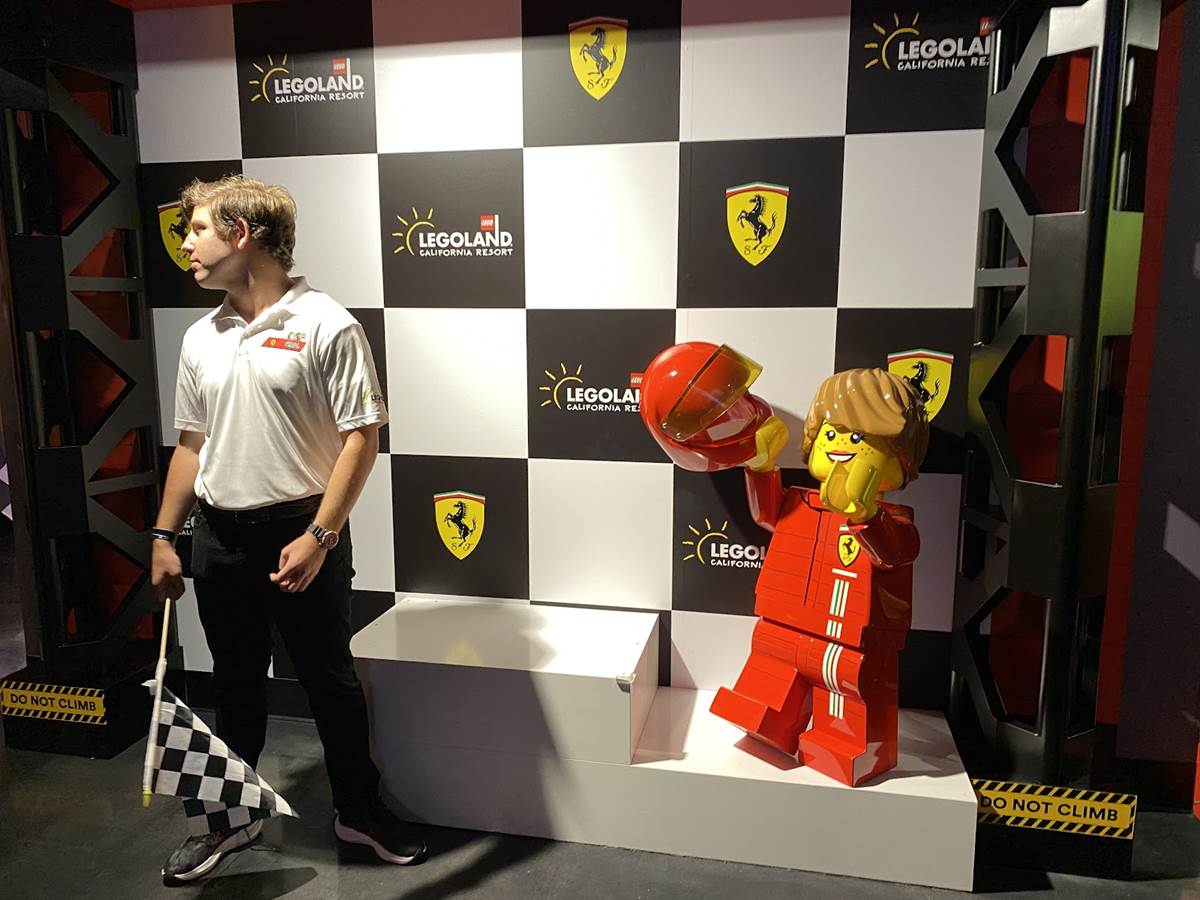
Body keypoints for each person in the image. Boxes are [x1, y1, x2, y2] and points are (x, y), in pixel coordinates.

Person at [150, 175, 425, 885]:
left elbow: (362, 438)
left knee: (329, 682)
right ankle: (231, 819)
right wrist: (163, 536)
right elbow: (191, 444)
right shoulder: (200, 336)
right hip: (219, 537)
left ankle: (359, 812)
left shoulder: (327, 323)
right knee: (234, 684)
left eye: (198, 229)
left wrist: (321, 536)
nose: (186, 244)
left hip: (303, 533)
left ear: (242, 234)